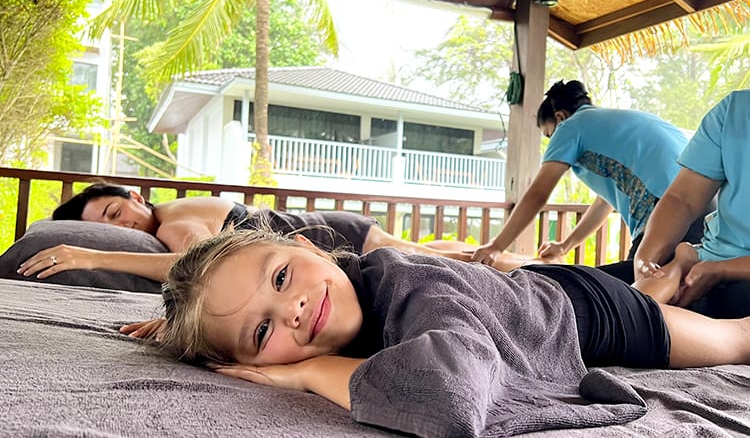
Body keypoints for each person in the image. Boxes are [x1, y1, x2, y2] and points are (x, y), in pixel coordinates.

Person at [156, 227, 750, 437]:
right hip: (521, 298)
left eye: (283, 275)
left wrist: (310, 370)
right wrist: (175, 329)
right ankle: (670, 273)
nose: (292, 309)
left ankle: (678, 272)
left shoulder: (415, 286)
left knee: (733, 341)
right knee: (660, 293)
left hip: (583, 309)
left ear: (308, 246)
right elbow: (223, 314)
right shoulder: (338, 300)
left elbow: (450, 397)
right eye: (261, 332)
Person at [18, 183, 557, 285]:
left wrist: (87, 254)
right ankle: (525, 262)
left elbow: (193, 267)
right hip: (322, 229)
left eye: (115, 213)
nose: (124, 226)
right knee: (433, 253)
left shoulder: (174, 222)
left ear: (136, 197)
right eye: (107, 229)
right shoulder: (177, 212)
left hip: (326, 235)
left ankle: (533, 270)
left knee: (450, 262)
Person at [471, 80, 712, 281]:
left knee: (618, 295)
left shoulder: (570, 127)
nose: (552, 141)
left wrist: (496, 246)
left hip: (670, 214)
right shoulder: (615, 122)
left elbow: (537, 194)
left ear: (559, 117)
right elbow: (604, 203)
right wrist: (565, 246)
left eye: (549, 134)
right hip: (710, 214)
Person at [634, 90, 750, 318]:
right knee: (572, 293)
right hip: (703, 263)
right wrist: (646, 262)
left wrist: (720, 270)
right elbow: (682, 199)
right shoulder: (735, 110)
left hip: (728, 278)